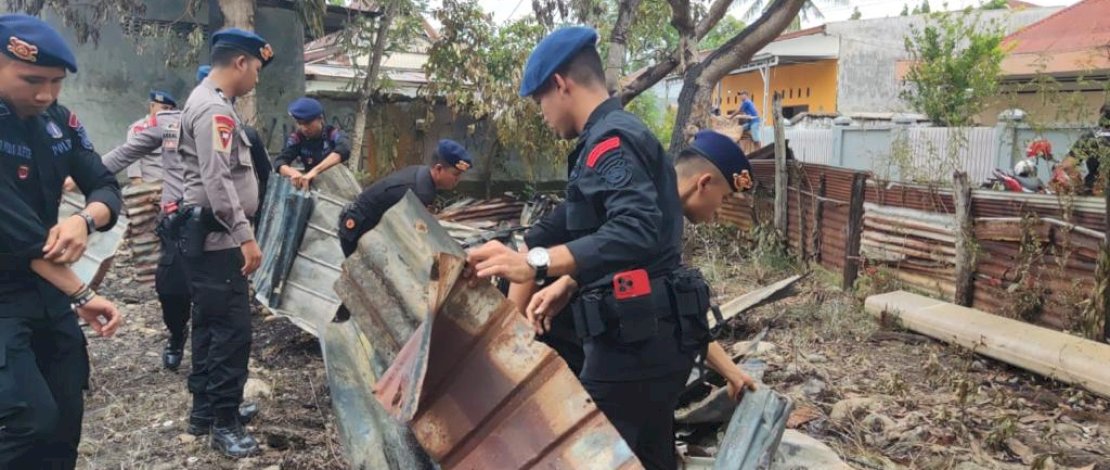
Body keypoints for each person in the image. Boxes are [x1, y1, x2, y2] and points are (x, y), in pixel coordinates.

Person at [466, 27, 707, 470]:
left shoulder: (611, 142)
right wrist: (544, 262)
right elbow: (583, 224)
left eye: (540, 100)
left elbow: (636, 228)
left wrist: (537, 264)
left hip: (635, 346)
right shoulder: (608, 139)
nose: (541, 114)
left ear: (561, 84)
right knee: (648, 455)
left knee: (586, 456)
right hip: (651, 337)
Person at [510, 130, 759, 401]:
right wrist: (514, 349)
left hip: (596, 357)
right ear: (704, 183)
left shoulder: (666, 223)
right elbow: (529, 251)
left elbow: (678, 310)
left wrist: (732, 372)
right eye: (725, 198)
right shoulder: (625, 200)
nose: (720, 212)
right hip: (550, 348)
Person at [0, 14, 125, 469]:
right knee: (28, 420)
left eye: (56, 82)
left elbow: (106, 185)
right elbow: (22, 237)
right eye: (32, 80)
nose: (46, 94)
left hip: (46, 293)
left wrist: (85, 220)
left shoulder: (59, 122)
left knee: (65, 419)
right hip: (6, 294)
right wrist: (84, 294)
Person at [178, 28, 272, 458]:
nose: (256, 77)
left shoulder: (211, 103)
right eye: (256, 68)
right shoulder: (214, 110)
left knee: (210, 326)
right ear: (240, 63)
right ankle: (225, 422)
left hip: (211, 240)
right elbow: (217, 181)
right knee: (232, 333)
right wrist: (245, 237)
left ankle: (205, 411)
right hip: (220, 241)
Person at [338, 139, 471, 256]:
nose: (458, 180)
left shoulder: (421, 174)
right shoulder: (421, 192)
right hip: (358, 230)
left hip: (369, 226)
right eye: (455, 174)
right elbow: (413, 236)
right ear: (439, 169)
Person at [276, 97, 350, 190]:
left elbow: (344, 149)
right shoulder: (297, 138)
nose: (304, 128)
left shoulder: (332, 133)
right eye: (299, 123)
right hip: (314, 189)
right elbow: (280, 162)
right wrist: (293, 173)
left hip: (339, 187)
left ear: (320, 119)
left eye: (308, 123)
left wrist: (315, 171)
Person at [123, 90, 177, 185]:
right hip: (149, 184)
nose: (168, 112)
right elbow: (132, 160)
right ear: (152, 106)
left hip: (171, 183)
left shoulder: (172, 130)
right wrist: (138, 183)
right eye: (164, 108)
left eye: (170, 109)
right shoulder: (139, 128)